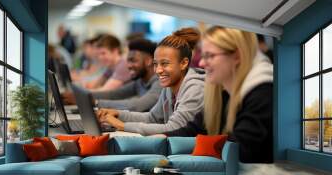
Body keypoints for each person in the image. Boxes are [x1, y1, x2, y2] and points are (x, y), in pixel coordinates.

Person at [165, 26, 273, 163]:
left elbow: (239, 151)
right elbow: (193, 129)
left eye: (209, 56)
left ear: (237, 56)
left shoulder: (263, 93)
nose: (201, 63)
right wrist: (159, 138)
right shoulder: (224, 92)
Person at [97, 28, 205, 135]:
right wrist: (118, 114)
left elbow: (174, 128)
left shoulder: (195, 88)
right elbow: (152, 117)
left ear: (183, 63)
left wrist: (122, 125)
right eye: (155, 64)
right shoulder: (169, 87)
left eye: (165, 63)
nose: (158, 70)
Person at [62, 38, 161, 112]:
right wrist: (83, 96)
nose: (128, 65)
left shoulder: (159, 82)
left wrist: (93, 102)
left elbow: (137, 105)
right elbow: (114, 94)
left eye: (133, 61)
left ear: (148, 61)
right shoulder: (140, 82)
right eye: (128, 61)